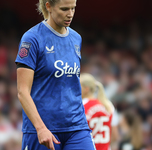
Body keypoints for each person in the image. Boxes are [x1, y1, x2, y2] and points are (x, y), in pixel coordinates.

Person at [15, 0, 96, 150]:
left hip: (76, 126)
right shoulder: (32, 38)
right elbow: (22, 92)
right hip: (43, 129)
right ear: (48, 6)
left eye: (73, 8)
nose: (70, 14)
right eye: (64, 9)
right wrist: (40, 128)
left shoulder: (76, 38)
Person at [80, 73, 119, 150]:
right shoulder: (108, 105)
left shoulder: (80, 106)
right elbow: (115, 136)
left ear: (86, 89)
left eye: (78, 86)